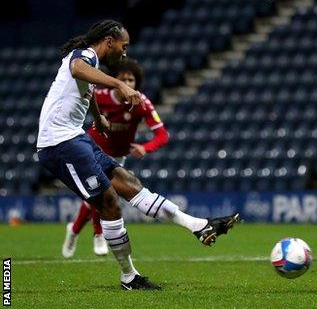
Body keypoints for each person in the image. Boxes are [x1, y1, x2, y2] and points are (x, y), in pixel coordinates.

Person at [36, 20, 240, 290]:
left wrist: (98, 118)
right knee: (109, 202)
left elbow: (87, 88)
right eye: (124, 45)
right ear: (109, 40)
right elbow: (77, 69)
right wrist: (120, 86)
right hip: (59, 143)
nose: (125, 52)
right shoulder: (85, 55)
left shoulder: (92, 64)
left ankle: (198, 225)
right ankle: (129, 277)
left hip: (77, 137)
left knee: (129, 182)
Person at [62, 58, 170, 258]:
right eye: (124, 79)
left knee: (92, 199)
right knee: (100, 193)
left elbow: (163, 135)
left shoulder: (141, 102)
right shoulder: (101, 96)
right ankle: (99, 234)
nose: (128, 84)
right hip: (93, 150)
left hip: (118, 157)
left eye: (132, 80)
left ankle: (74, 230)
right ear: (115, 80)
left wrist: (146, 148)